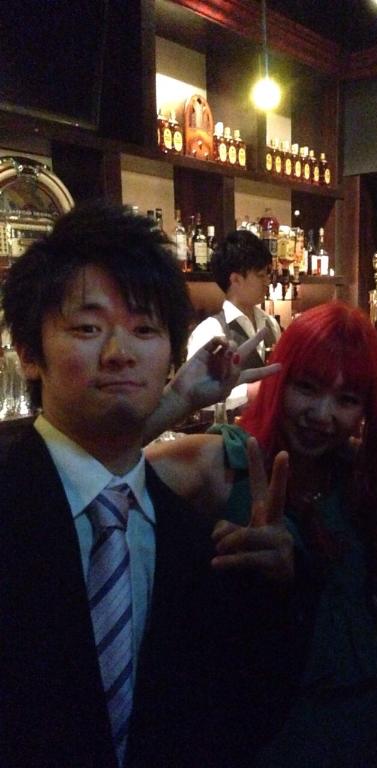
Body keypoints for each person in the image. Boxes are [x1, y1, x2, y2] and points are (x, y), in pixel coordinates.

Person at [0, 202, 298, 768]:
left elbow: (243, 718)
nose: (119, 353)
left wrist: (272, 595)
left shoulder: (195, 539)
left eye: (144, 329)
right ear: (29, 353)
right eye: (87, 328)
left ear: (169, 353)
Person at [146, 301, 377, 768]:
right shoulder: (224, 463)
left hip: (372, 727)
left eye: (347, 399)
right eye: (306, 387)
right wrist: (176, 401)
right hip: (267, 736)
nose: (322, 415)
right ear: (277, 381)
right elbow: (91, 469)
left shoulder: (362, 476)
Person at [186, 229, 281, 413]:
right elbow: (195, 395)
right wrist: (248, 393)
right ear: (236, 279)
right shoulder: (210, 331)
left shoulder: (271, 324)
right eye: (261, 275)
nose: (267, 282)